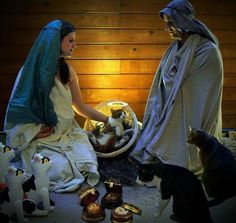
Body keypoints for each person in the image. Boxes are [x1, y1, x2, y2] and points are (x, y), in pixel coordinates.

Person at [4, 20, 108, 193]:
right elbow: (18, 110)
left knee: (88, 161)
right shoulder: (29, 71)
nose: (75, 44)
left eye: (75, 40)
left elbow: (79, 106)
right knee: (60, 171)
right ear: (55, 41)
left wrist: (106, 119)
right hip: (43, 136)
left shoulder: (69, 71)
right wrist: (33, 133)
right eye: (70, 40)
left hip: (67, 132)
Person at [130, 0, 223, 176]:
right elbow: (166, 79)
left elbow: (198, 90)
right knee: (148, 139)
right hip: (169, 103)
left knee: (175, 151)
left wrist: (174, 88)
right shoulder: (175, 46)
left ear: (183, 21)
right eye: (166, 23)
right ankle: (159, 146)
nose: (167, 28)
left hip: (189, 108)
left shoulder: (207, 51)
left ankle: (172, 152)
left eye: (170, 23)